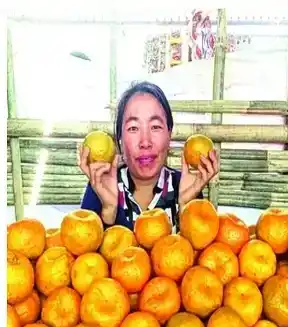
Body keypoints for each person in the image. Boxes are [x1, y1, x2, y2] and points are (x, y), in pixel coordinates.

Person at [79, 81, 219, 230]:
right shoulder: (101, 186)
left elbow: (194, 251)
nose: (145, 142)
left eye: (155, 127)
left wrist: (185, 208)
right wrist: (109, 211)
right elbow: (85, 247)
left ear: (169, 134)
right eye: (133, 128)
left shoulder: (186, 186)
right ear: (119, 138)